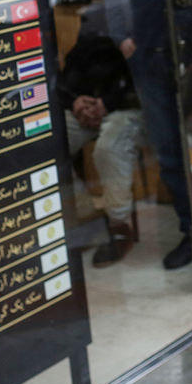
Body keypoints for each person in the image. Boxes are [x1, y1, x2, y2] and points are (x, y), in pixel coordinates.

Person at [58, 31, 145, 267]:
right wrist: (75, 102)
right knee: (52, 142)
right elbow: (67, 76)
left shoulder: (131, 10)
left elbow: (143, 75)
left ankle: (120, 227)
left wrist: (108, 103)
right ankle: (85, 217)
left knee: (108, 149)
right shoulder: (90, 20)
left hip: (128, 103)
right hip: (87, 103)